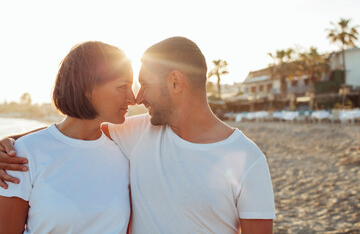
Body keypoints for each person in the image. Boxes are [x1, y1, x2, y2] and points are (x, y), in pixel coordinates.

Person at [0, 37, 275, 233]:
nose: (137, 97)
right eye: (127, 86)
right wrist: (12, 143)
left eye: (143, 84)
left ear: (175, 82)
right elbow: (72, 132)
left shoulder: (248, 160)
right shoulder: (138, 132)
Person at [0, 41, 134, 233]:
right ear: (88, 89)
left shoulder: (126, 150)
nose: (133, 97)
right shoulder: (23, 154)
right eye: (123, 86)